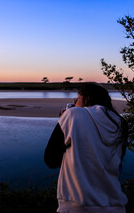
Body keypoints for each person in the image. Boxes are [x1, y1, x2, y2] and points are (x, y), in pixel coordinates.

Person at [44, 83, 128, 213]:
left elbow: (51, 160)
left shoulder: (73, 115)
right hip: (116, 207)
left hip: (77, 206)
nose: (74, 103)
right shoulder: (119, 122)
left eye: (76, 100)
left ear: (86, 99)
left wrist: (63, 120)